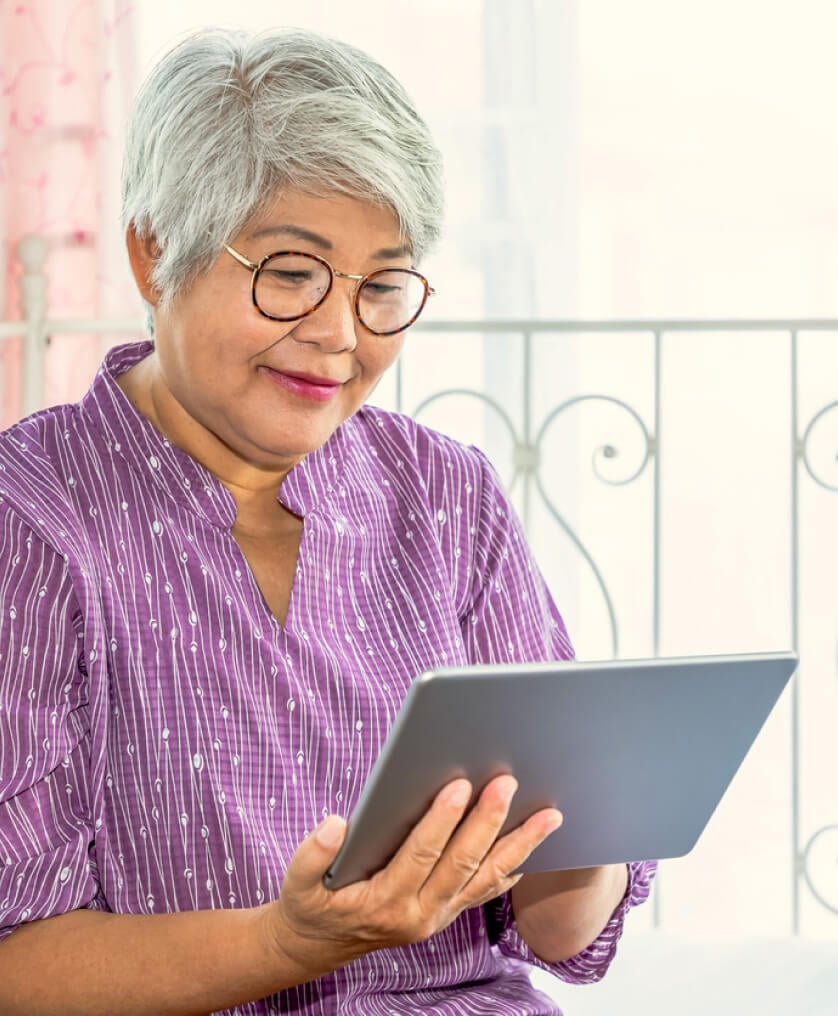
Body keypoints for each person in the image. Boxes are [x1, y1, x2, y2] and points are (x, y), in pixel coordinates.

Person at [0, 27, 655, 1015]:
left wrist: (600, 811)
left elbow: (561, 925)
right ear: (154, 251)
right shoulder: (32, 522)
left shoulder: (446, 495)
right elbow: (17, 966)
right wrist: (285, 942)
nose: (340, 333)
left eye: (382, 284)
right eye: (292, 270)